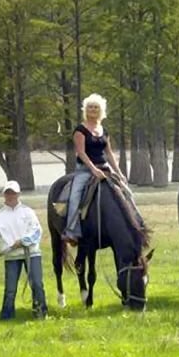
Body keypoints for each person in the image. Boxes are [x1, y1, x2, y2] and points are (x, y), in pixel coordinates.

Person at [62, 93, 129, 245]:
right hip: (85, 169)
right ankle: (72, 231)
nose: (93, 109)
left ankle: (137, 221)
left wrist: (118, 172)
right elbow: (81, 152)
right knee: (75, 196)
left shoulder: (103, 130)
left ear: (101, 110)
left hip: (104, 168)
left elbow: (109, 153)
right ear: (86, 110)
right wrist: (93, 170)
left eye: (96, 107)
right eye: (90, 107)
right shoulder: (80, 130)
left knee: (127, 192)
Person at [0, 180, 47, 320]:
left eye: (13, 193)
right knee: (10, 289)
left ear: (18, 194)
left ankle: (40, 313)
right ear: (4, 195)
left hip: (31, 254)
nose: (10, 196)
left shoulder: (28, 212)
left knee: (37, 284)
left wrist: (23, 241)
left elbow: (37, 231)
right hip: (11, 257)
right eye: (8, 193)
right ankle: (7, 316)